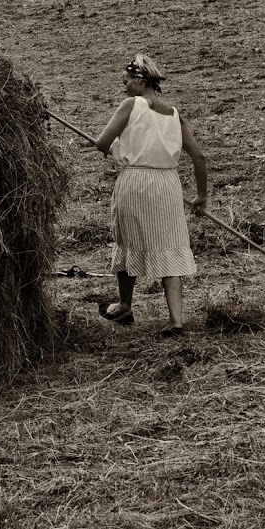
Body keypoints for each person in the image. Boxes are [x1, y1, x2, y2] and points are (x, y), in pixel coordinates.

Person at [92, 54, 208, 337]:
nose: (125, 88)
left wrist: (117, 154)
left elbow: (101, 142)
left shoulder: (132, 104)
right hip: (167, 184)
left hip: (136, 181)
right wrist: (201, 197)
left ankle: (125, 305)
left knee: (127, 239)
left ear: (140, 80)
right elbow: (199, 158)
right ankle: (176, 320)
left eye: (127, 81)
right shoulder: (174, 113)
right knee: (169, 244)